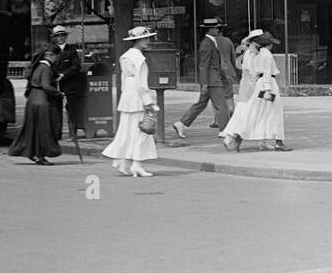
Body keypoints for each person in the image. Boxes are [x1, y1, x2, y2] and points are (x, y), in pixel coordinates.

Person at [102, 26, 159, 177]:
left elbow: (124, 79)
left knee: (127, 130)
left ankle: (122, 162)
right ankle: (137, 164)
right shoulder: (138, 57)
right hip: (137, 96)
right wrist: (148, 101)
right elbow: (141, 82)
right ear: (138, 40)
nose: (148, 41)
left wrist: (125, 96)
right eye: (146, 38)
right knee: (141, 131)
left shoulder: (126, 55)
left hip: (128, 95)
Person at [173, 17, 231, 139]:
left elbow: (211, 64)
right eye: (216, 28)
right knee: (221, 105)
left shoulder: (210, 42)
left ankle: (181, 123)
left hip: (211, 80)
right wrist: (204, 83)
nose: (218, 30)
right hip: (212, 81)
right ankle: (224, 130)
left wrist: (223, 76)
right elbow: (203, 65)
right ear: (210, 29)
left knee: (201, 104)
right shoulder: (207, 44)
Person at [7, 46, 64, 165]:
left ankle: (30, 152)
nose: (57, 60)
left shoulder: (37, 66)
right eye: (56, 57)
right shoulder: (46, 68)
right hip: (42, 101)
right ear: (51, 56)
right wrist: (59, 94)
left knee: (31, 128)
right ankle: (40, 155)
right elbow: (46, 85)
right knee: (43, 129)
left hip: (32, 100)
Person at [242, 31, 291, 151]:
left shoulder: (254, 53)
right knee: (276, 112)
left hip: (259, 84)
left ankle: (249, 135)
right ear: (268, 44)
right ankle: (278, 141)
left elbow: (251, 71)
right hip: (269, 84)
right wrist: (268, 89)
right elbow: (268, 73)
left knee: (260, 111)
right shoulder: (267, 54)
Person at [50, 25, 92, 138]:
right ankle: (56, 134)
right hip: (55, 85)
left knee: (72, 109)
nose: (60, 38)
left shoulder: (71, 50)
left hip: (70, 85)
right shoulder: (51, 50)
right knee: (55, 110)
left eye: (62, 35)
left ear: (65, 36)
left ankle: (73, 133)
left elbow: (76, 66)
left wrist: (63, 75)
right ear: (55, 37)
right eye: (58, 36)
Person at [220, 31, 259, 151]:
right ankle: (235, 137)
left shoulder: (248, 53)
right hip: (251, 87)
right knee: (248, 114)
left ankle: (230, 137)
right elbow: (253, 73)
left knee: (241, 113)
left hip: (244, 87)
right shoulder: (252, 54)